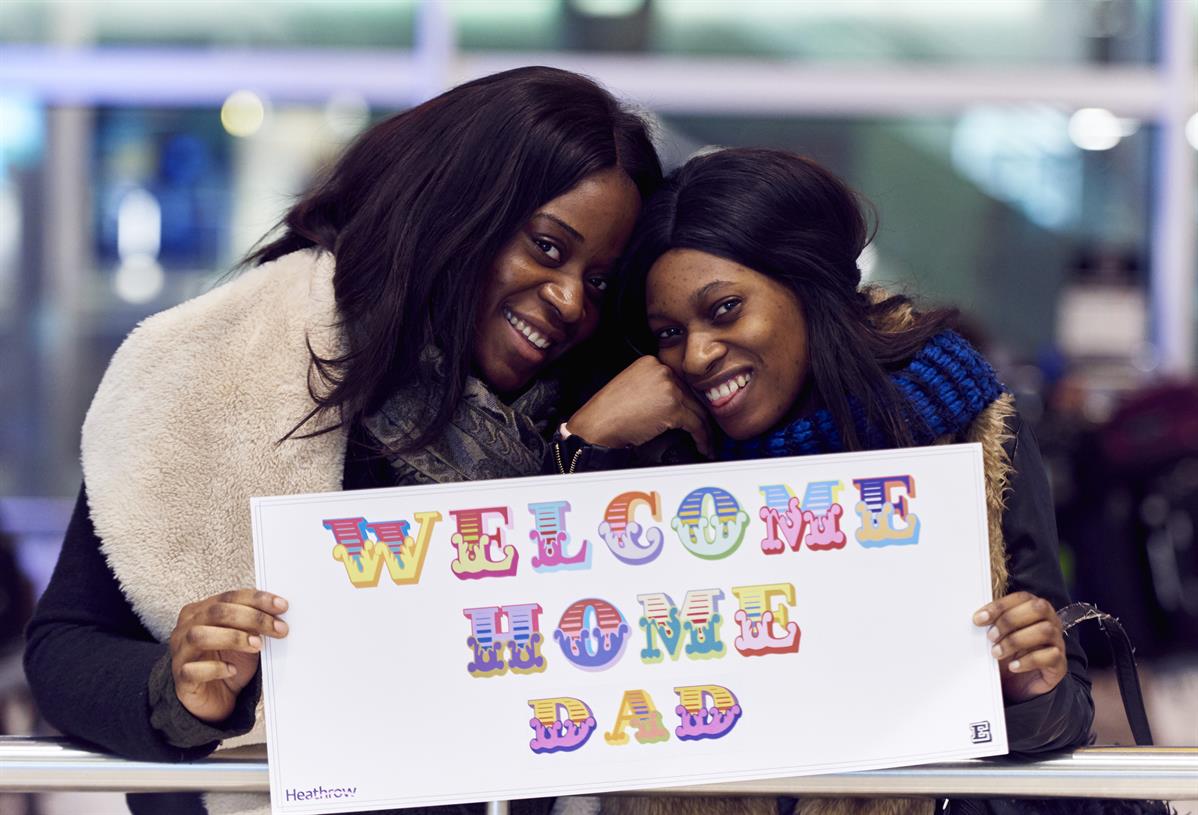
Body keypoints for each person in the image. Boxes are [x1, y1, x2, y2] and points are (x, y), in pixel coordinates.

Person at [23, 66, 662, 815]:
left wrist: (576, 457)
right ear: (461, 209)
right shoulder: (221, 365)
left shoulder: (596, 418)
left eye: (599, 282)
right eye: (549, 248)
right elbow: (64, 647)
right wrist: (179, 683)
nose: (569, 300)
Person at [556, 148, 1093, 815]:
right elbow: (559, 684)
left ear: (808, 288)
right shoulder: (661, 458)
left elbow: (1063, 725)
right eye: (669, 332)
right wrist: (584, 445)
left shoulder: (964, 428)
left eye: (724, 309)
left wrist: (1035, 686)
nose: (694, 355)